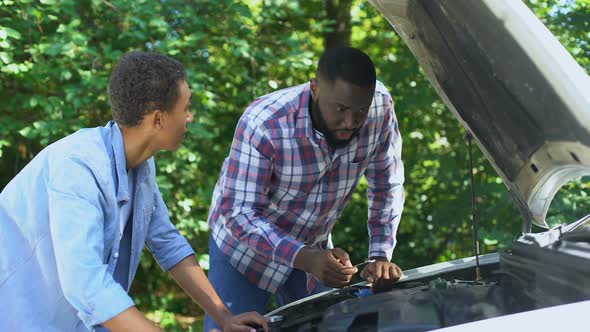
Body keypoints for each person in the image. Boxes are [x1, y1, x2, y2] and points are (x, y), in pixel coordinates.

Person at [0, 51, 266, 332]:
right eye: (185, 108)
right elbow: (86, 283)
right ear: (158, 119)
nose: (190, 117)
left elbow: (167, 242)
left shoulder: (140, 165)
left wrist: (224, 316)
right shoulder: (78, 166)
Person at [204, 47, 405, 331]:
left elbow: (387, 182)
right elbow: (239, 213)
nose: (350, 122)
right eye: (341, 110)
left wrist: (380, 254)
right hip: (244, 251)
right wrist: (304, 258)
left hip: (315, 246)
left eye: (360, 111)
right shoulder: (264, 122)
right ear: (315, 89)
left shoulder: (380, 108)